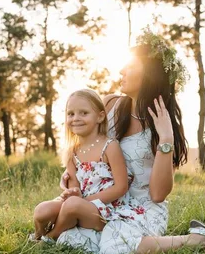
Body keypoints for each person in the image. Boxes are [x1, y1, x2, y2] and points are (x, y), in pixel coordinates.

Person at [57, 28, 205, 254]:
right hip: (109, 203)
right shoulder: (109, 106)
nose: (122, 70)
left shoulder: (165, 127)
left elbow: (158, 194)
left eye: (130, 66)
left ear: (149, 73)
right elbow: (84, 150)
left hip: (143, 209)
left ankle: (196, 239)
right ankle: (128, 239)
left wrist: (166, 141)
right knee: (69, 241)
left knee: (112, 250)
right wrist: (72, 176)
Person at [31, 89, 144, 243]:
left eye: (83, 113)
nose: (76, 118)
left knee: (72, 206)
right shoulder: (72, 152)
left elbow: (121, 187)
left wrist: (84, 201)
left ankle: (50, 238)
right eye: (71, 114)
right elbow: (74, 188)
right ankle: (38, 235)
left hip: (106, 209)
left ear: (100, 116)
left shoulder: (110, 146)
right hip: (78, 203)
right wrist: (71, 193)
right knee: (41, 210)